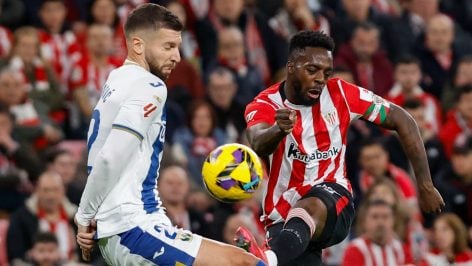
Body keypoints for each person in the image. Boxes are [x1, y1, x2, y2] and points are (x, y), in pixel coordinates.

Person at [74, 4, 266, 265]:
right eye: (167, 47)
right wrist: (84, 215)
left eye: (177, 46)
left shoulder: (115, 80)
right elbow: (110, 157)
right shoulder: (149, 85)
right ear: (138, 45)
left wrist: (93, 213)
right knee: (245, 262)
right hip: (134, 228)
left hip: (129, 227)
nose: (177, 56)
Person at [239, 30, 444, 266]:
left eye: (327, 72)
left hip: (334, 201)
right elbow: (256, 141)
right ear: (291, 67)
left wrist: (426, 185)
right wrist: (277, 130)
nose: (320, 79)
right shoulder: (265, 104)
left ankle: (267, 259)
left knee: (310, 205)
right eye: (312, 70)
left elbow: (402, 119)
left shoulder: (342, 94)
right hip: (283, 220)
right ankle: (269, 258)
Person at [341, 200, 413, 266]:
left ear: (393, 221)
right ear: (364, 221)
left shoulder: (401, 249)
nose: (380, 222)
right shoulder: (356, 249)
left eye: (385, 217)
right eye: (375, 217)